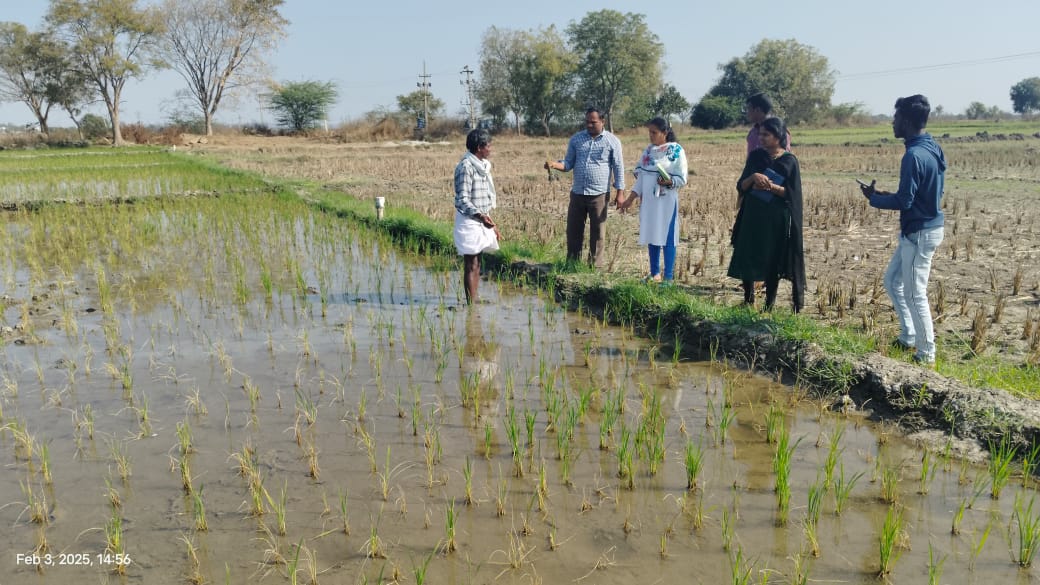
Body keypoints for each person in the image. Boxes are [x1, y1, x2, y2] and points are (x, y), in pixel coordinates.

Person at [859, 94, 946, 365]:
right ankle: (908, 336)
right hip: (921, 228)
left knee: (914, 293)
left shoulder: (912, 156)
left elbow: (905, 201)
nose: (892, 122)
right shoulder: (932, 147)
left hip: (919, 233)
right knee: (892, 281)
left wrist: (874, 199)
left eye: (895, 118)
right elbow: (915, 194)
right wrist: (885, 194)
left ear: (906, 121)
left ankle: (926, 354)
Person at [727, 117, 805, 312]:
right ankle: (748, 298)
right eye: (760, 134)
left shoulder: (789, 161)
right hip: (752, 214)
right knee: (748, 252)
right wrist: (754, 177)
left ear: (778, 136)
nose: (761, 138)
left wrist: (772, 187)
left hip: (775, 218)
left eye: (766, 135)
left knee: (772, 257)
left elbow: (792, 193)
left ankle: (769, 305)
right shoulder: (755, 157)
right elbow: (741, 185)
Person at [544, 108, 625, 267]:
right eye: (587, 121)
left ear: (602, 122)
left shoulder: (612, 141)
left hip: (599, 194)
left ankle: (594, 267)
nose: (589, 125)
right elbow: (568, 163)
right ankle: (572, 264)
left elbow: (618, 168)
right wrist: (553, 165)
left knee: (598, 233)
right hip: (578, 193)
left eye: (593, 122)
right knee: (573, 231)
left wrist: (620, 193)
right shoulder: (576, 139)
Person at [619, 117, 689, 283]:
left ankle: (668, 278)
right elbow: (641, 179)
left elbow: (682, 177)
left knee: (668, 237)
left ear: (665, 133)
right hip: (649, 203)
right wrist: (629, 200)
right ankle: (654, 273)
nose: (650, 136)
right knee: (652, 235)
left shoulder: (676, 151)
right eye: (649, 132)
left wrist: (670, 181)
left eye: (654, 132)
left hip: (666, 202)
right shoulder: (648, 152)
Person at [453, 128, 501, 305]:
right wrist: (480, 216)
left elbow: (483, 197)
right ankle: (471, 305)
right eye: (489, 146)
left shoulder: (482, 166)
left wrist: (490, 222)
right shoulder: (466, 167)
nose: (491, 149)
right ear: (480, 147)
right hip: (470, 221)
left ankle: (473, 299)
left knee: (477, 262)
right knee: (471, 263)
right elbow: (462, 200)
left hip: (481, 219)